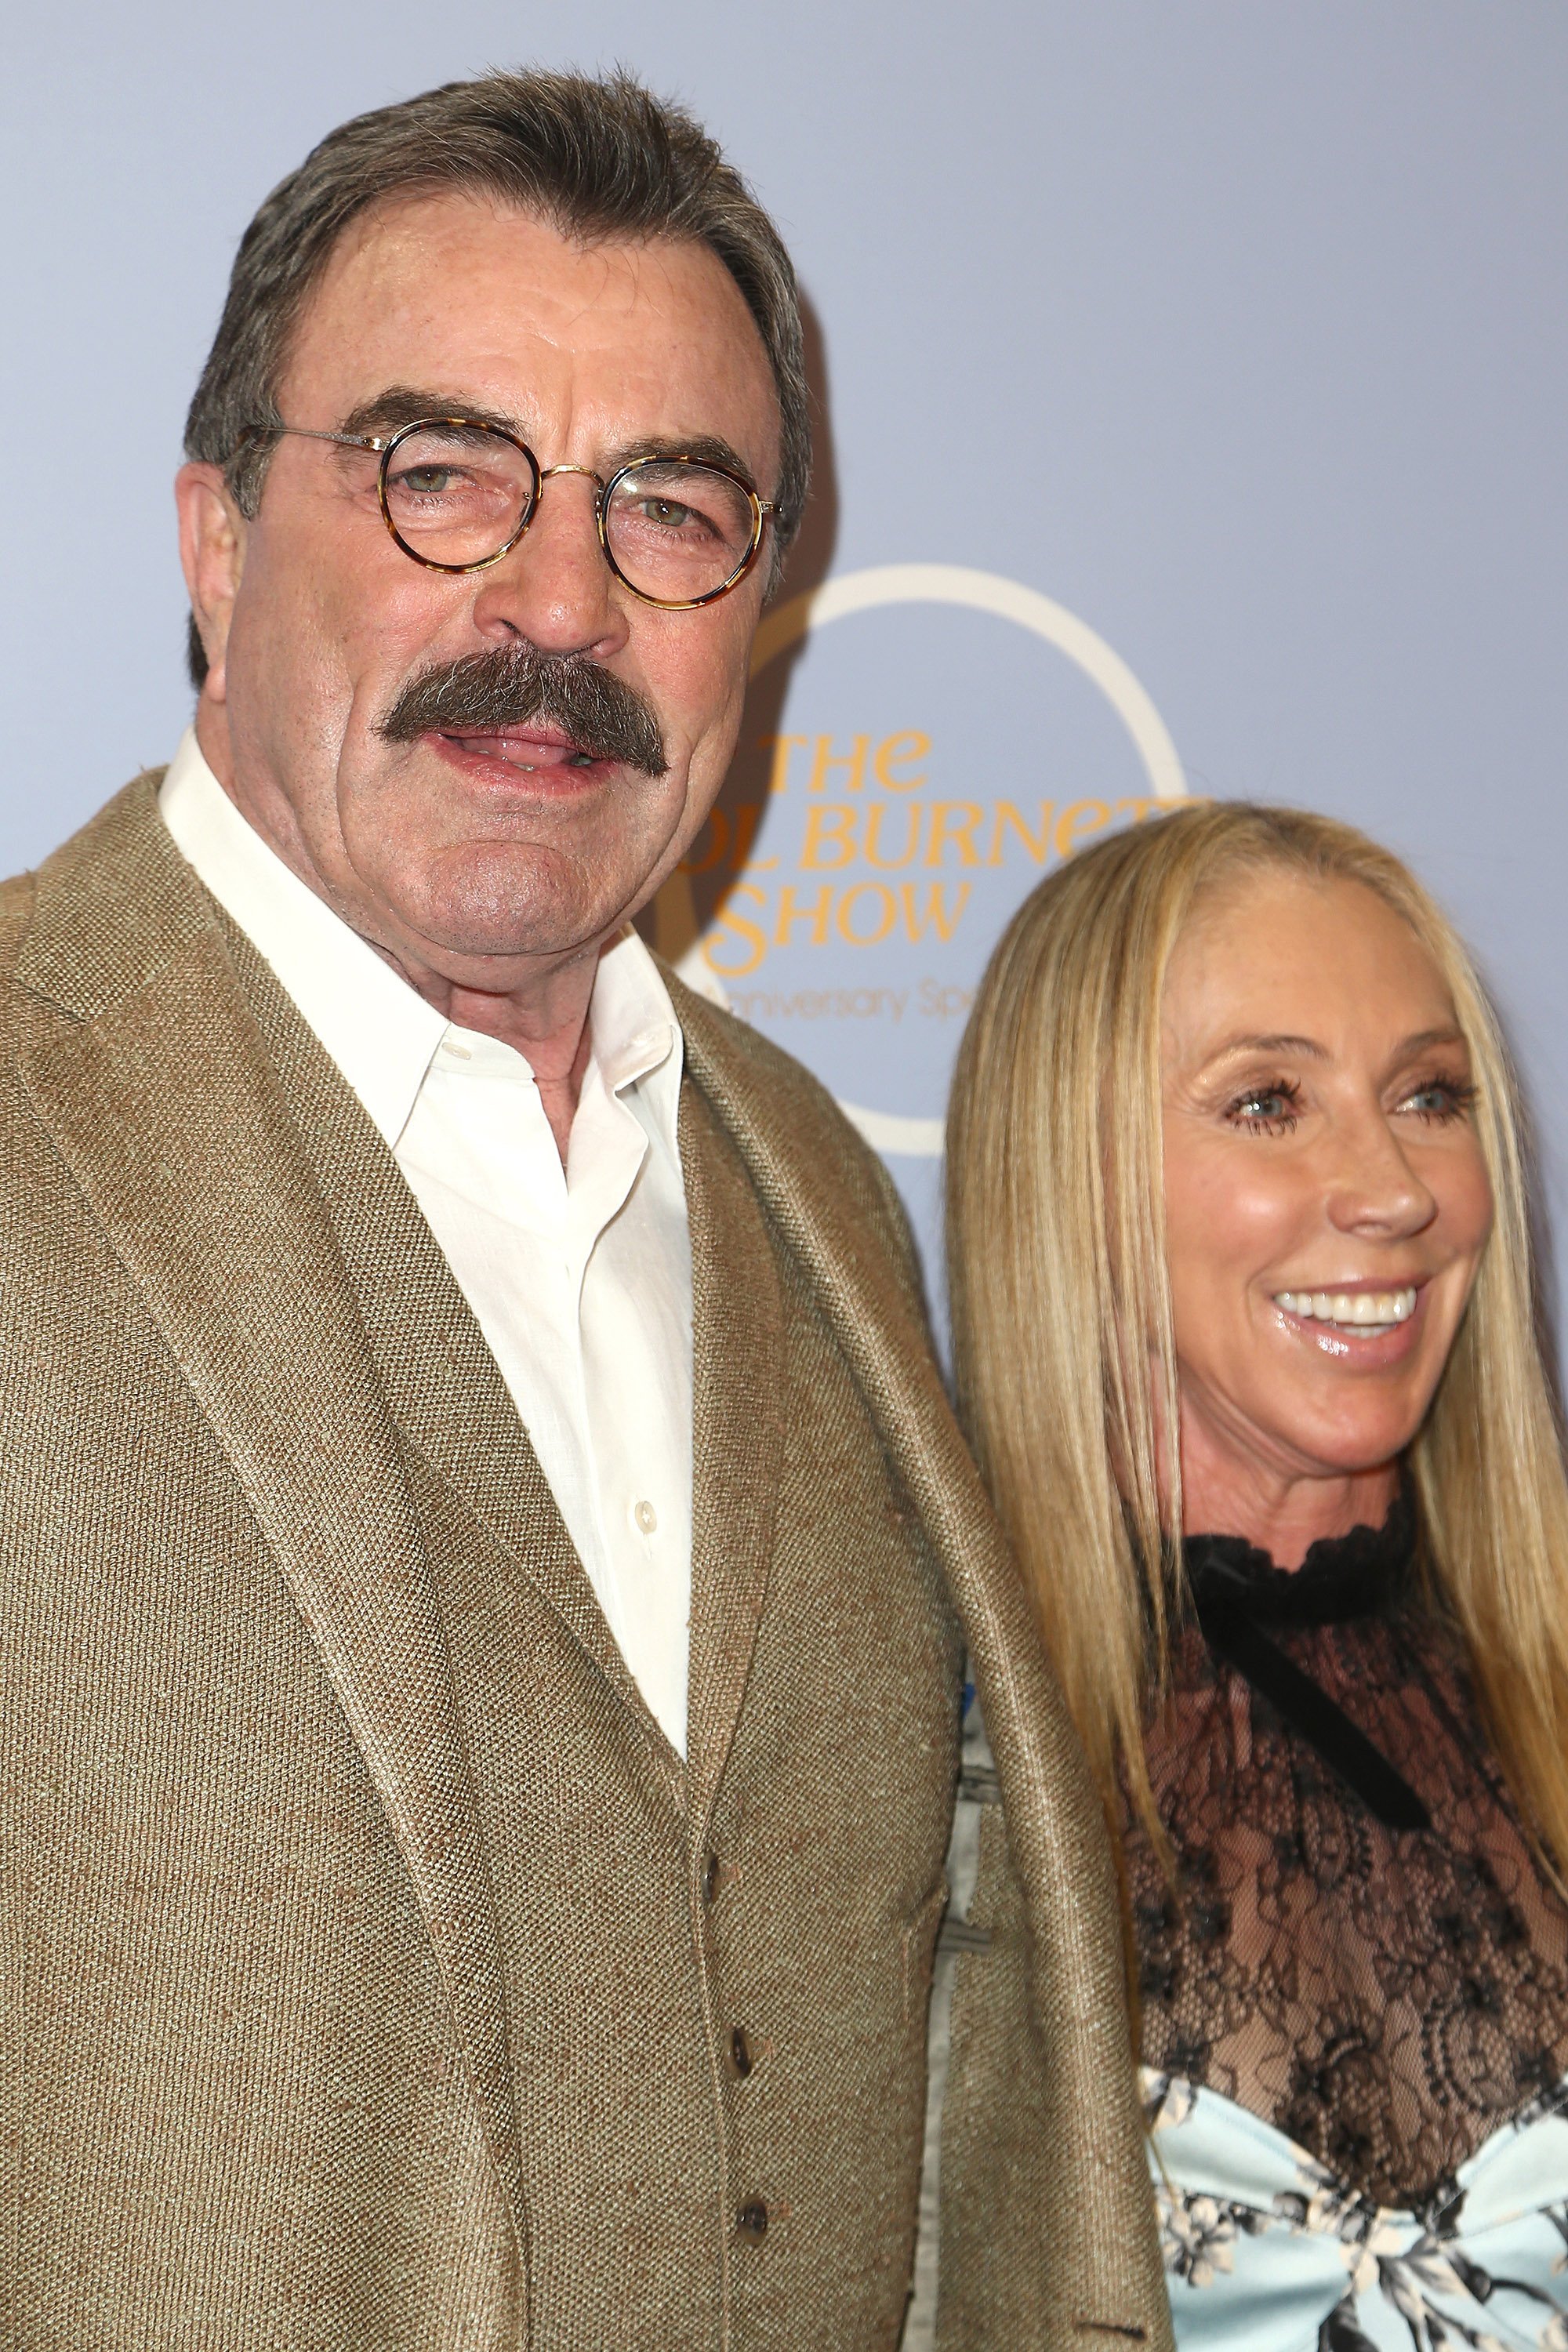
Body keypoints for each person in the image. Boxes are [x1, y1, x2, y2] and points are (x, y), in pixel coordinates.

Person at [0, 67, 1170, 2351]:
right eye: (442, 480)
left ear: (762, 607)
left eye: (670, 509)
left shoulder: (813, 1180)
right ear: (218, 545)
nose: (559, 599)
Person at [945, 801, 1568, 2349]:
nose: (1395, 1188)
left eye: (1429, 1094)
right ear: (1065, 1173)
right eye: (1268, 1105)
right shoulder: (897, 1761)